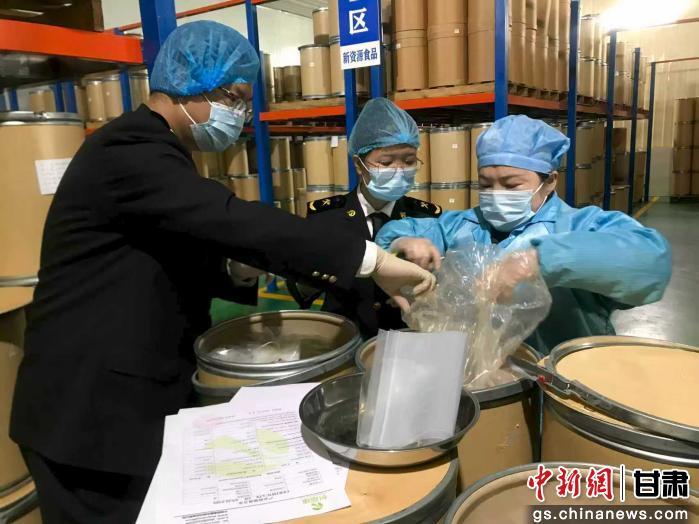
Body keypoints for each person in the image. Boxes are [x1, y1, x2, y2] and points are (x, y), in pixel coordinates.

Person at [10, 22, 434, 523]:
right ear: (190, 86)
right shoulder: (130, 150)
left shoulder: (155, 152)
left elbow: (170, 248)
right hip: (87, 415)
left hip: (121, 402)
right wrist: (374, 260)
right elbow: (232, 218)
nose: (241, 115)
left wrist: (235, 265)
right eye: (234, 98)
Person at [376, 115, 672, 354]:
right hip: (485, 381)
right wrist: (403, 242)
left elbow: (651, 262)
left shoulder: (578, 225)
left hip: (560, 382)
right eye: (486, 184)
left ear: (550, 181)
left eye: (511, 185)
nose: (496, 194)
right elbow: (394, 235)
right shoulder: (464, 225)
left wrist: (537, 261)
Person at [288, 98, 442, 338]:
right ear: (359, 165)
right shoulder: (327, 218)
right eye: (386, 162)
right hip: (346, 339)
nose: (399, 170)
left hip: (405, 340)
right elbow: (303, 290)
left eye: (409, 161)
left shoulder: (425, 217)